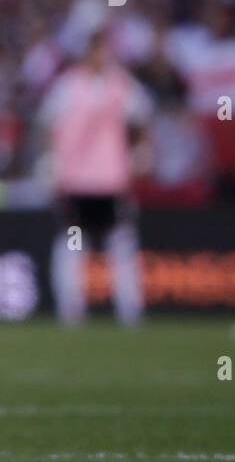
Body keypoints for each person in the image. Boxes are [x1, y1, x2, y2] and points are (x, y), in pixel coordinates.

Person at [39, 28, 151, 326]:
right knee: (72, 245)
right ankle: (71, 311)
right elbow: (49, 126)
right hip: (76, 181)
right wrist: (53, 162)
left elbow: (141, 119)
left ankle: (130, 311)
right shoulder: (68, 86)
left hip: (111, 180)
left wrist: (138, 152)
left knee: (122, 244)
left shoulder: (122, 85)